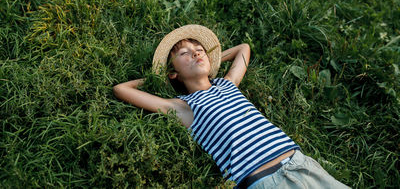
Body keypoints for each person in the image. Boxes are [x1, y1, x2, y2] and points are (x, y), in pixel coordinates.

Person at [113, 25, 350, 188]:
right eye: (185, 54)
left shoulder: (228, 85)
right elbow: (121, 89)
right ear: (173, 73)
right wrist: (160, 76)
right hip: (263, 180)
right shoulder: (184, 107)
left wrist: (212, 58)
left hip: (301, 164)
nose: (196, 54)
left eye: (199, 51)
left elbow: (243, 48)